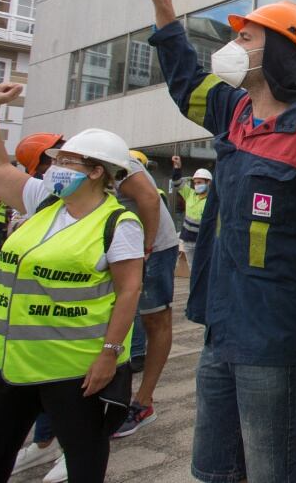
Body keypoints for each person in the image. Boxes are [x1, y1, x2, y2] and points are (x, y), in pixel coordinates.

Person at [130, 0, 296, 483]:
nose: (232, 48)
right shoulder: (233, 113)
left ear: (281, 53)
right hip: (223, 329)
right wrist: (161, 1)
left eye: (247, 39)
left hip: (278, 336)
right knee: (215, 469)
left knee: (284, 467)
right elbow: (183, 79)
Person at [0, 92, 144, 483]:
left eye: (65, 162)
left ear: (96, 171)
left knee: (83, 461)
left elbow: (129, 291)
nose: (53, 168)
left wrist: (109, 356)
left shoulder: (118, 223)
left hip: (74, 369)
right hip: (11, 362)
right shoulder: (43, 202)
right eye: (55, 161)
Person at [7, 132, 69, 482]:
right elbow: (0, 168)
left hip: (73, 326)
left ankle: (70, 450)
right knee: (39, 383)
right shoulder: (40, 193)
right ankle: (45, 443)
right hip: (31, 320)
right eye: (58, 158)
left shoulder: (109, 213)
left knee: (69, 390)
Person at [112, 149, 182, 437]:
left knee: (154, 318)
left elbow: (151, 199)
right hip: (118, 249)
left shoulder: (116, 164)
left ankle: (143, 402)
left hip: (151, 249)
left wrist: (147, 248)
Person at [169, 155, 211, 270]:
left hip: (203, 242)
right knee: (193, 269)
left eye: (200, 182)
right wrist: (177, 167)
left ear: (208, 183)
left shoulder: (213, 201)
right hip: (188, 241)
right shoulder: (190, 194)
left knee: (204, 269)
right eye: (195, 183)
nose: (197, 185)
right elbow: (176, 182)